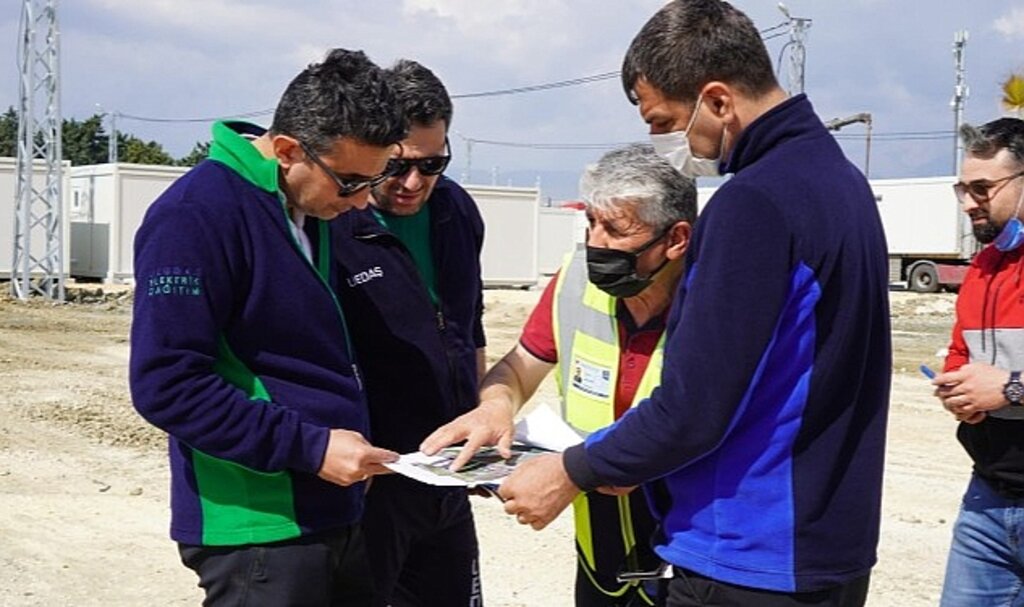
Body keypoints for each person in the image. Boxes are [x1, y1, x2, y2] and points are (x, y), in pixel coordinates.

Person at [494, 1, 892, 606]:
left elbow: (694, 407)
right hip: (825, 545)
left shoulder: (753, 203)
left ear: (718, 101)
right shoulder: (841, 182)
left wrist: (570, 471)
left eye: (663, 121)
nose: (660, 141)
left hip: (745, 551)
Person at [129, 49, 405, 606]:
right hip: (258, 530)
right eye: (350, 182)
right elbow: (167, 384)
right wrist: (311, 447)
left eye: (373, 182)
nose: (359, 203)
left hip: (333, 509)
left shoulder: (306, 204)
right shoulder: (196, 215)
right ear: (286, 150)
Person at [424, 144, 697, 607]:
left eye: (616, 229)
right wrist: (495, 406)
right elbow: (517, 368)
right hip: (600, 553)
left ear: (675, 239)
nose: (596, 242)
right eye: (592, 222)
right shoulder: (573, 281)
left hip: (688, 557)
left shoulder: (714, 302)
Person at [331, 59, 487, 606]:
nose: (413, 184)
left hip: (446, 474)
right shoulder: (334, 223)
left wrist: (480, 421)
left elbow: (470, 329)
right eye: (396, 167)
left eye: (432, 164)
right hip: (371, 478)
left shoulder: (456, 211)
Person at [933, 117, 1024, 607]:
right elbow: (961, 353)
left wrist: (1009, 388)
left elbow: (1004, 382)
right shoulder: (983, 269)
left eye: (983, 188)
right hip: (987, 498)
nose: (969, 202)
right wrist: (959, 390)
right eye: (963, 188)